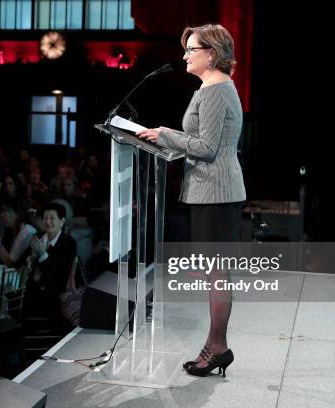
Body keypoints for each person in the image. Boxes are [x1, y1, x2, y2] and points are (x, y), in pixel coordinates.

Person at [137, 24, 246, 378]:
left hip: (215, 192)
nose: (185, 55)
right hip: (213, 190)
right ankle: (215, 345)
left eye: (191, 49)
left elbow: (207, 148)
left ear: (211, 54)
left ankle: (217, 347)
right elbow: (201, 141)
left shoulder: (214, 91)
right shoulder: (213, 88)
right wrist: (168, 137)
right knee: (217, 274)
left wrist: (166, 135)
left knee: (218, 275)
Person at [23, 203, 77, 327]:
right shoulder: (38, 237)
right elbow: (25, 261)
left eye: (52, 218)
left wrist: (42, 254)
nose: (48, 222)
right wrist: (31, 258)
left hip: (54, 294)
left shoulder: (68, 243)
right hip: (32, 288)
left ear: (62, 221)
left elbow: (60, 275)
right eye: (45, 218)